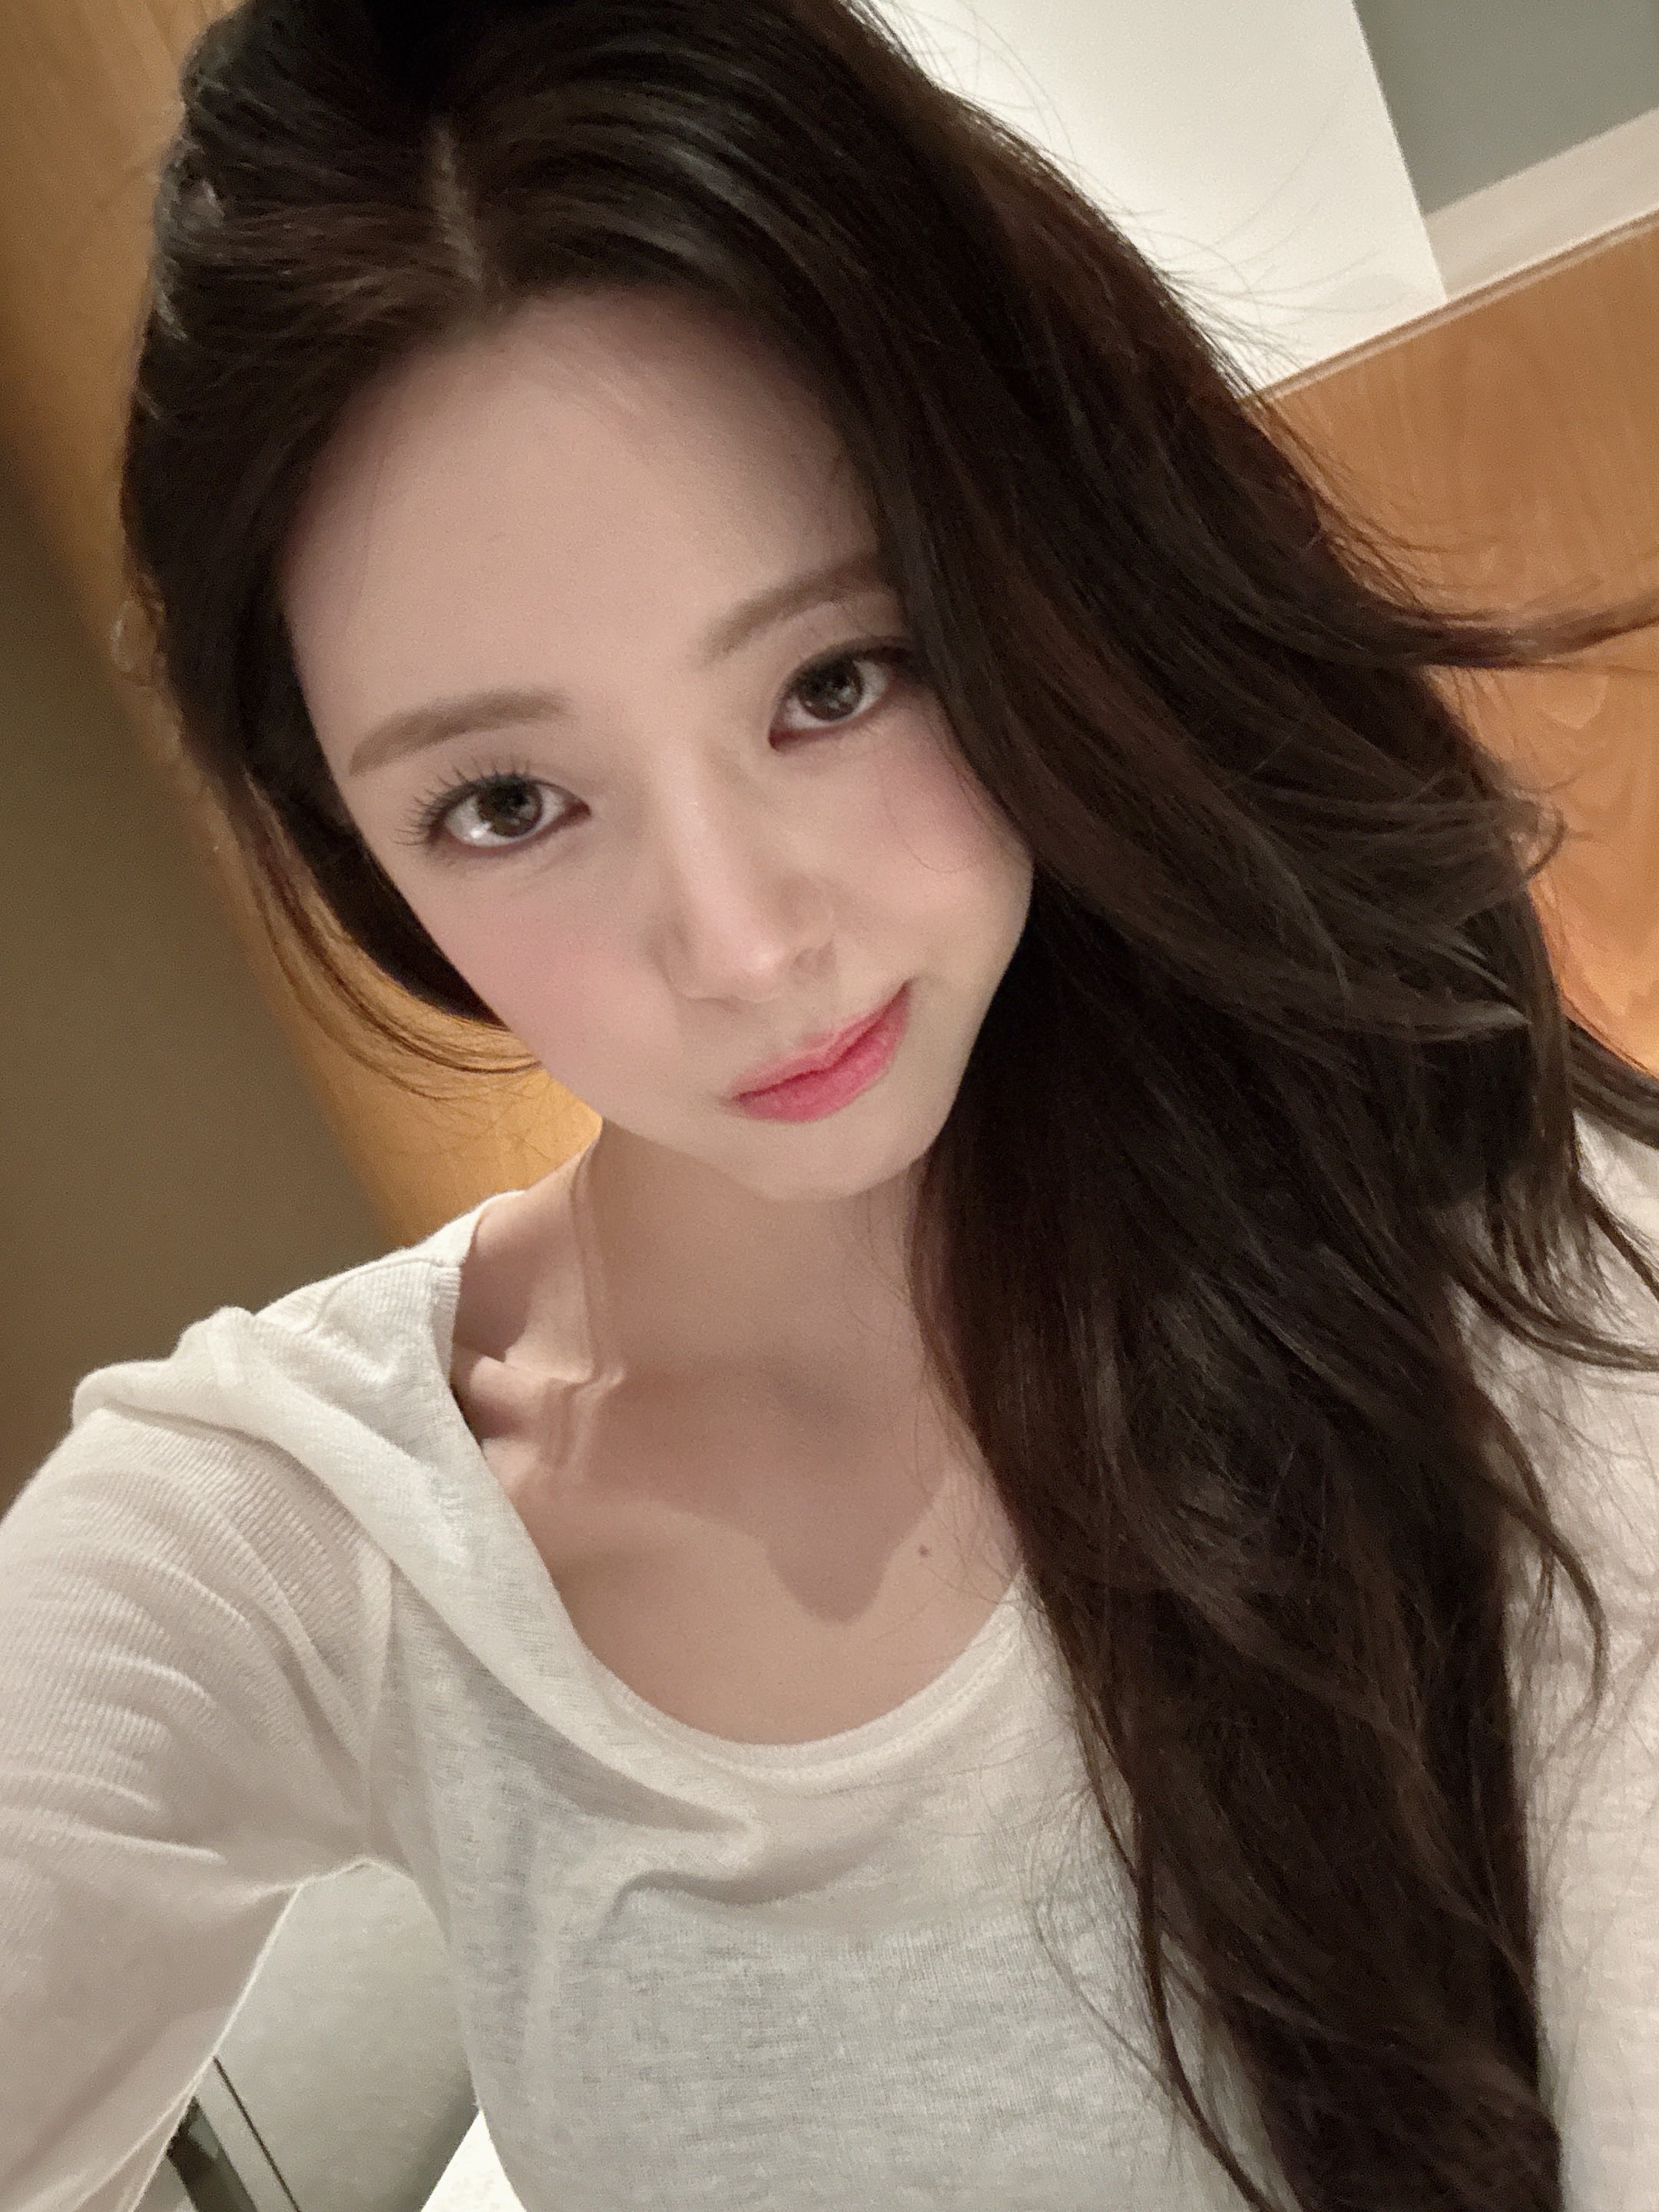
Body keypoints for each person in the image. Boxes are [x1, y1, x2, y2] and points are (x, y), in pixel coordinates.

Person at [5, 2, 1659, 2207]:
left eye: (833, 679)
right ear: (356, 838)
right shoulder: (312, 1519)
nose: (741, 943)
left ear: (1037, 584)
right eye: (507, 801)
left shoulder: (1499, 1280)